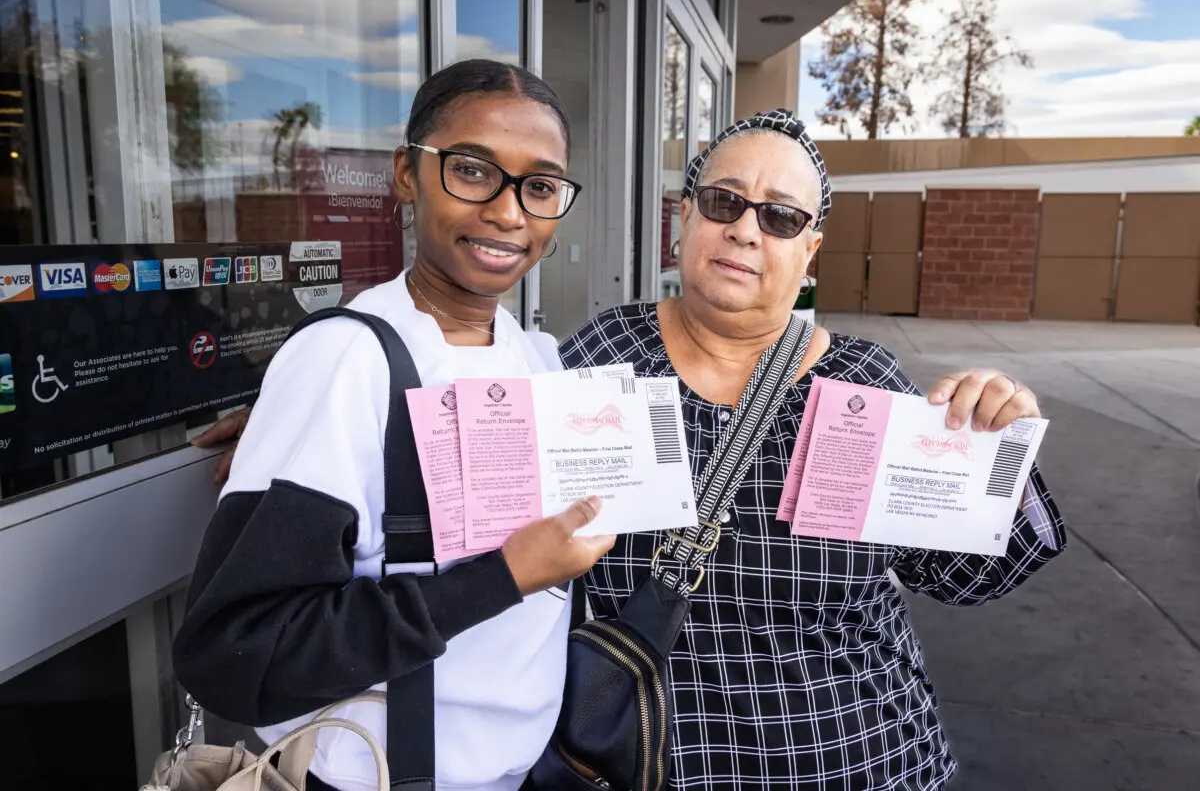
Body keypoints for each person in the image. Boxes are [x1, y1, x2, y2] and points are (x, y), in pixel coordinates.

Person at [194, 108, 1065, 789]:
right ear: (686, 219)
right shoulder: (590, 361)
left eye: (781, 216)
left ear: (810, 251)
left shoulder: (867, 386)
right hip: (640, 764)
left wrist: (1000, 447)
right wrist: (285, 417)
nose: (746, 230)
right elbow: (454, 441)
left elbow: (974, 573)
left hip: (852, 760)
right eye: (724, 203)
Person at [172, 59, 616, 791]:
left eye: (539, 187)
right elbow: (235, 654)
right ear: (407, 175)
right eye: (472, 171)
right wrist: (501, 579)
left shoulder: (536, 361)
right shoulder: (343, 361)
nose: (509, 212)